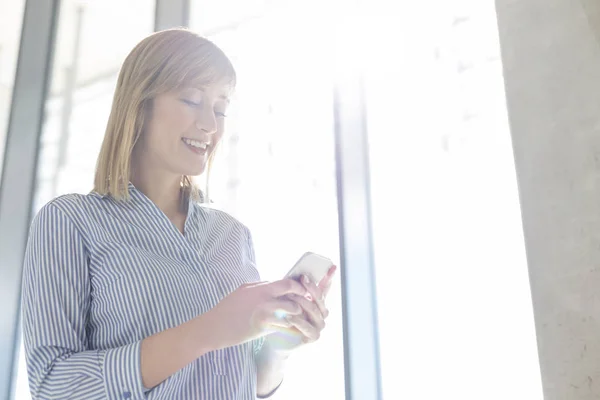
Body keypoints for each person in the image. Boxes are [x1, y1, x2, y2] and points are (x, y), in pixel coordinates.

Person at [21, 28, 336, 400]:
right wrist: (208, 330)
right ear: (140, 104)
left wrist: (279, 349)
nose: (211, 125)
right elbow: (52, 386)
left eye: (221, 109)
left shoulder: (233, 235)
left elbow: (244, 384)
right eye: (191, 100)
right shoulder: (71, 221)